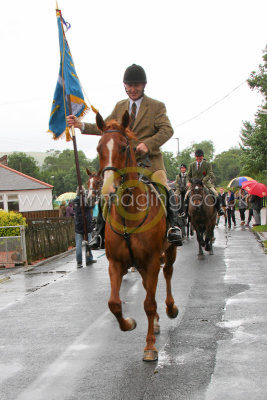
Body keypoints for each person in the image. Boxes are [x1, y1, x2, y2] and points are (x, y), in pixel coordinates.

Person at [66, 64, 183, 247]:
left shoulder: (156, 106)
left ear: (144, 85)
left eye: (136, 85)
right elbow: (106, 127)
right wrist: (81, 125)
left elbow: (167, 130)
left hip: (150, 163)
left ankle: (173, 227)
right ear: (124, 86)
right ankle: (99, 233)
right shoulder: (120, 106)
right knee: (106, 190)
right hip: (124, 164)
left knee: (164, 187)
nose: (133, 89)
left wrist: (148, 144)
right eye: (129, 85)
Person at [186, 149, 224, 216]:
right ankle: (185, 212)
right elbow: (188, 175)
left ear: (202, 156)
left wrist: (203, 181)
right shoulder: (192, 165)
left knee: (215, 193)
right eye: (197, 157)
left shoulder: (207, 164)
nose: (198, 158)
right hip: (194, 184)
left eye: (200, 156)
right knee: (186, 196)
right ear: (195, 157)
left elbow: (209, 174)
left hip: (205, 183)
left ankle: (219, 209)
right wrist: (190, 181)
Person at [73, 187, 97, 268]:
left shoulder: (75, 200)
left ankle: (79, 262)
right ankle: (89, 259)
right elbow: (92, 206)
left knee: (78, 244)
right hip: (87, 223)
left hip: (78, 224)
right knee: (88, 242)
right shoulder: (86, 200)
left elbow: (74, 210)